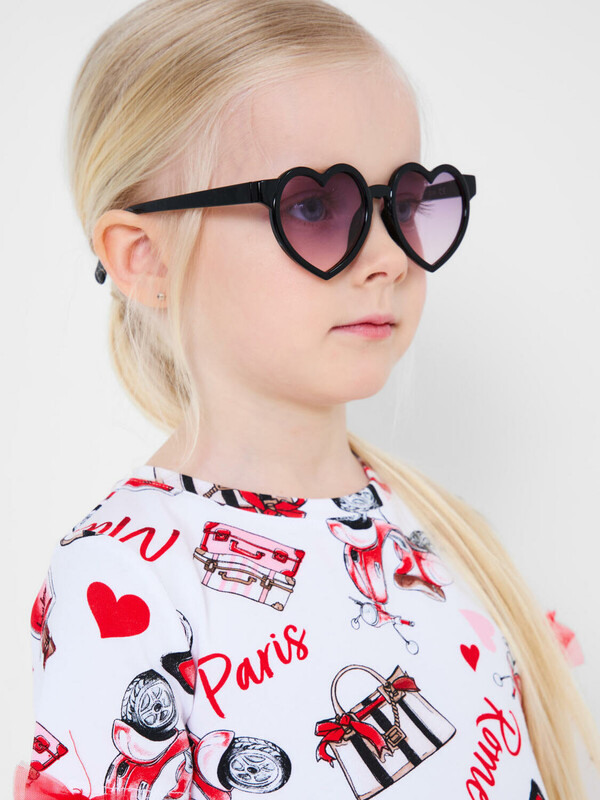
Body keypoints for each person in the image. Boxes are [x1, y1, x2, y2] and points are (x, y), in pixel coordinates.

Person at [13, 1, 600, 798]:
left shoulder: (448, 536)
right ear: (145, 256)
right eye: (314, 206)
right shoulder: (126, 571)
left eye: (404, 203)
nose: (389, 256)